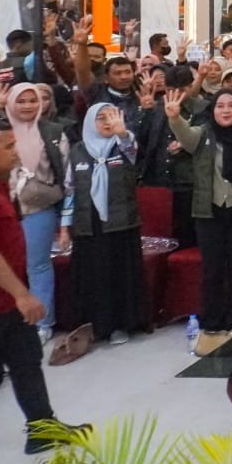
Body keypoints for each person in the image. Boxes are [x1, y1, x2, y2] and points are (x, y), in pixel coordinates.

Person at [0, 120, 88, 464]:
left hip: (6, 303)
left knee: (26, 363)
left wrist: (17, 297)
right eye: (8, 147)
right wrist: (23, 295)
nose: (16, 153)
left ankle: (42, 429)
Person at [165, 87, 232, 355]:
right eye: (220, 106)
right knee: (212, 271)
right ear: (212, 110)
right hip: (209, 213)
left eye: (231, 105)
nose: (226, 110)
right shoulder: (201, 134)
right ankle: (212, 324)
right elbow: (184, 135)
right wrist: (175, 118)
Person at [63, 103, 149, 345]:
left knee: (119, 274)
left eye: (111, 116)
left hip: (120, 223)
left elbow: (133, 152)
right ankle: (95, 325)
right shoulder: (78, 150)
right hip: (88, 224)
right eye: (100, 118)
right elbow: (70, 190)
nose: (107, 122)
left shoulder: (123, 144)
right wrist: (64, 226)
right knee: (94, 275)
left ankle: (121, 325)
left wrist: (123, 133)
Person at [3, 83, 67, 342]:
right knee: (4, 266)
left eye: (33, 100)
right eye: (21, 101)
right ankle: (7, 321)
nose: (28, 106)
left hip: (39, 208)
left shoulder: (53, 131)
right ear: (11, 103)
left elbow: (64, 172)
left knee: (37, 264)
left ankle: (43, 322)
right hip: (2, 208)